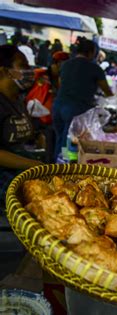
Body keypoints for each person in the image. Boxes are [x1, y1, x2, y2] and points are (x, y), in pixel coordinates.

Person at [53, 38, 113, 158]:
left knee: (60, 140)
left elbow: (60, 84)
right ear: (91, 52)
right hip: (75, 109)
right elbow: (107, 92)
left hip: (57, 106)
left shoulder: (66, 64)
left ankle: (54, 164)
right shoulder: (95, 68)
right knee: (68, 143)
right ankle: (62, 169)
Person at [0, 45, 43, 208]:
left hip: (22, 167)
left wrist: (38, 137)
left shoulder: (18, 101)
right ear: (5, 71)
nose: (29, 71)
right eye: (22, 66)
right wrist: (33, 165)